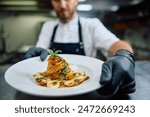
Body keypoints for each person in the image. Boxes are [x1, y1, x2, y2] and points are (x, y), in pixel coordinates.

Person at [25, 0, 135, 98]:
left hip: (86, 90)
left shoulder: (91, 25)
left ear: (77, 1)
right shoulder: (48, 26)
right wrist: (37, 54)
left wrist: (124, 56)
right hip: (51, 91)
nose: (62, 5)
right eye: (57, 0)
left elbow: (117, 44)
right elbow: (42, 52)